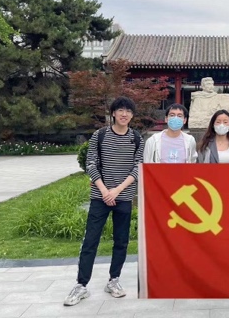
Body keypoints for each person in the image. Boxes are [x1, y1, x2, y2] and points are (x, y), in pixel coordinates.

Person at [64, 97, 144, 306]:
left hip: (124, 196)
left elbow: (137, 167)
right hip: (100, 197)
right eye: (120, 110)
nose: (124, 114)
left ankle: (114, 280)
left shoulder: (136, 138)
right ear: (113, 113)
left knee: (121, 241)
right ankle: (81, 285)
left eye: (128, 111)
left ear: (132, 115)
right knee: (90, 240)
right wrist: (104, 190)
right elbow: (91, 164)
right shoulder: (99, 135)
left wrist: (116, 190)